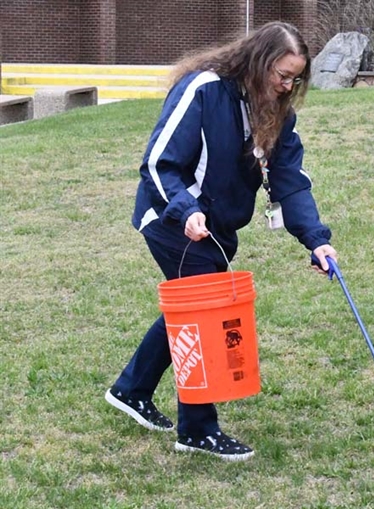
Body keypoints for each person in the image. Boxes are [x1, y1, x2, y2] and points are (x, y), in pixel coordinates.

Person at [105, 21, 338, 462]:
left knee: (189, 309)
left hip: (217, 229)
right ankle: (196, 430)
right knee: (204, 314)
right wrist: (185, 208)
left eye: (294, 79)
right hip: (170, 218)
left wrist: (316, 240)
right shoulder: (205, 89)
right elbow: (158, 163)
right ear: (259, 59)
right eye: (281, 75)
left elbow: (289, 181)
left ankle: (130, 389)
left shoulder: (277, 112)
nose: (287, 86)